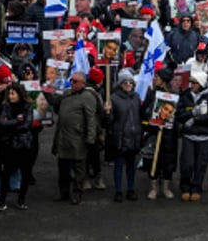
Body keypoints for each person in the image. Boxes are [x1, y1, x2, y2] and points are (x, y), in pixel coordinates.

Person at [51, 71, 100, 205]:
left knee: (79, 168)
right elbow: (56, 107)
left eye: (75, 81)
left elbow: (91, 119)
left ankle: (77, 193)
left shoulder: (88, 97)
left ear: (83, 83)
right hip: (63, 137)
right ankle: (64, 192)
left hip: (77, 137)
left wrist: (91, 138)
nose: (71, 83)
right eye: (71, 80)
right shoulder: (66, 94)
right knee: (63, 167)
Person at [0, 81, 38, 210]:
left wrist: (12, 124)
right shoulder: (6, 106)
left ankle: (21, 199)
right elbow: (2, 122)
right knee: (6, 173)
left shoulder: (28, 106)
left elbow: (27, 124)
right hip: (10, 145)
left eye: (13, 94)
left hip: (25, 145)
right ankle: (2, 201)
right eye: (9, 94)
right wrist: (17, 121)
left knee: (25, 173)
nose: (10, 97)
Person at [176, 71, 208, 202]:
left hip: (204, 136)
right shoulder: (185, 95)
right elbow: (179, 114)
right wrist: (193, 112)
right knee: (187, 163)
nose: (192, 85)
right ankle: (185, 186)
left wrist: (194, 119)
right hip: (189, 135)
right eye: (191, 82)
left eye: (195, 82)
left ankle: (197, 187)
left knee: (201, 164)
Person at [105, 68, 143, 202]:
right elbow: (108, 121)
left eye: (130, 82)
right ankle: (118, 190)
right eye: (125, 82)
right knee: (119, 165)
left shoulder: (136, 97)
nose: (128, 84)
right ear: (120, 84)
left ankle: (131, 189)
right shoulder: (114, 98)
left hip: (133, 137)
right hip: (120, 138)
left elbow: (140, 115)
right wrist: (108, 112)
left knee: (131, 166)